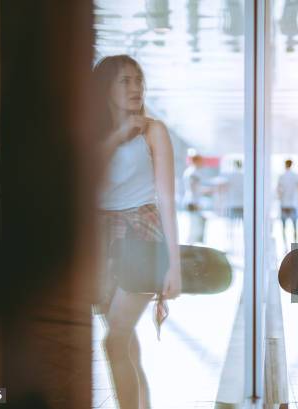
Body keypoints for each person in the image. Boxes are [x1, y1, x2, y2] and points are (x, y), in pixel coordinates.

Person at [94, 55, 181, 409]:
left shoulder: (154, 130)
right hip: (100, 239)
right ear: (104, 89)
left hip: (143, 235)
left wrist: (173, 265)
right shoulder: (95, 134)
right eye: (124, 81)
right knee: (125, 342)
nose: (135, 87)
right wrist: (115, 137)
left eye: (138, 79)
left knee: (114, 341)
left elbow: (167, 200)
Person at [182, 153, 207, 243]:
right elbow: (194, 188)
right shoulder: (193, 172)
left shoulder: (191, 171)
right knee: (195, 227)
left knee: (194, 226)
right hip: (192, 202)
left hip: (192, 201)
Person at [277, 159, 298, 244]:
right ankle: (295, 243)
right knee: (295, 226)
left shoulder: (281, 176)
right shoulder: (296, 176)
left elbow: (278, 190)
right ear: (291, 165)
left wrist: (280, 198)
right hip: (293, 204)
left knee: (283, 227)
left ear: (285, 165)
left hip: (284, 204)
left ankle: (285, 244)